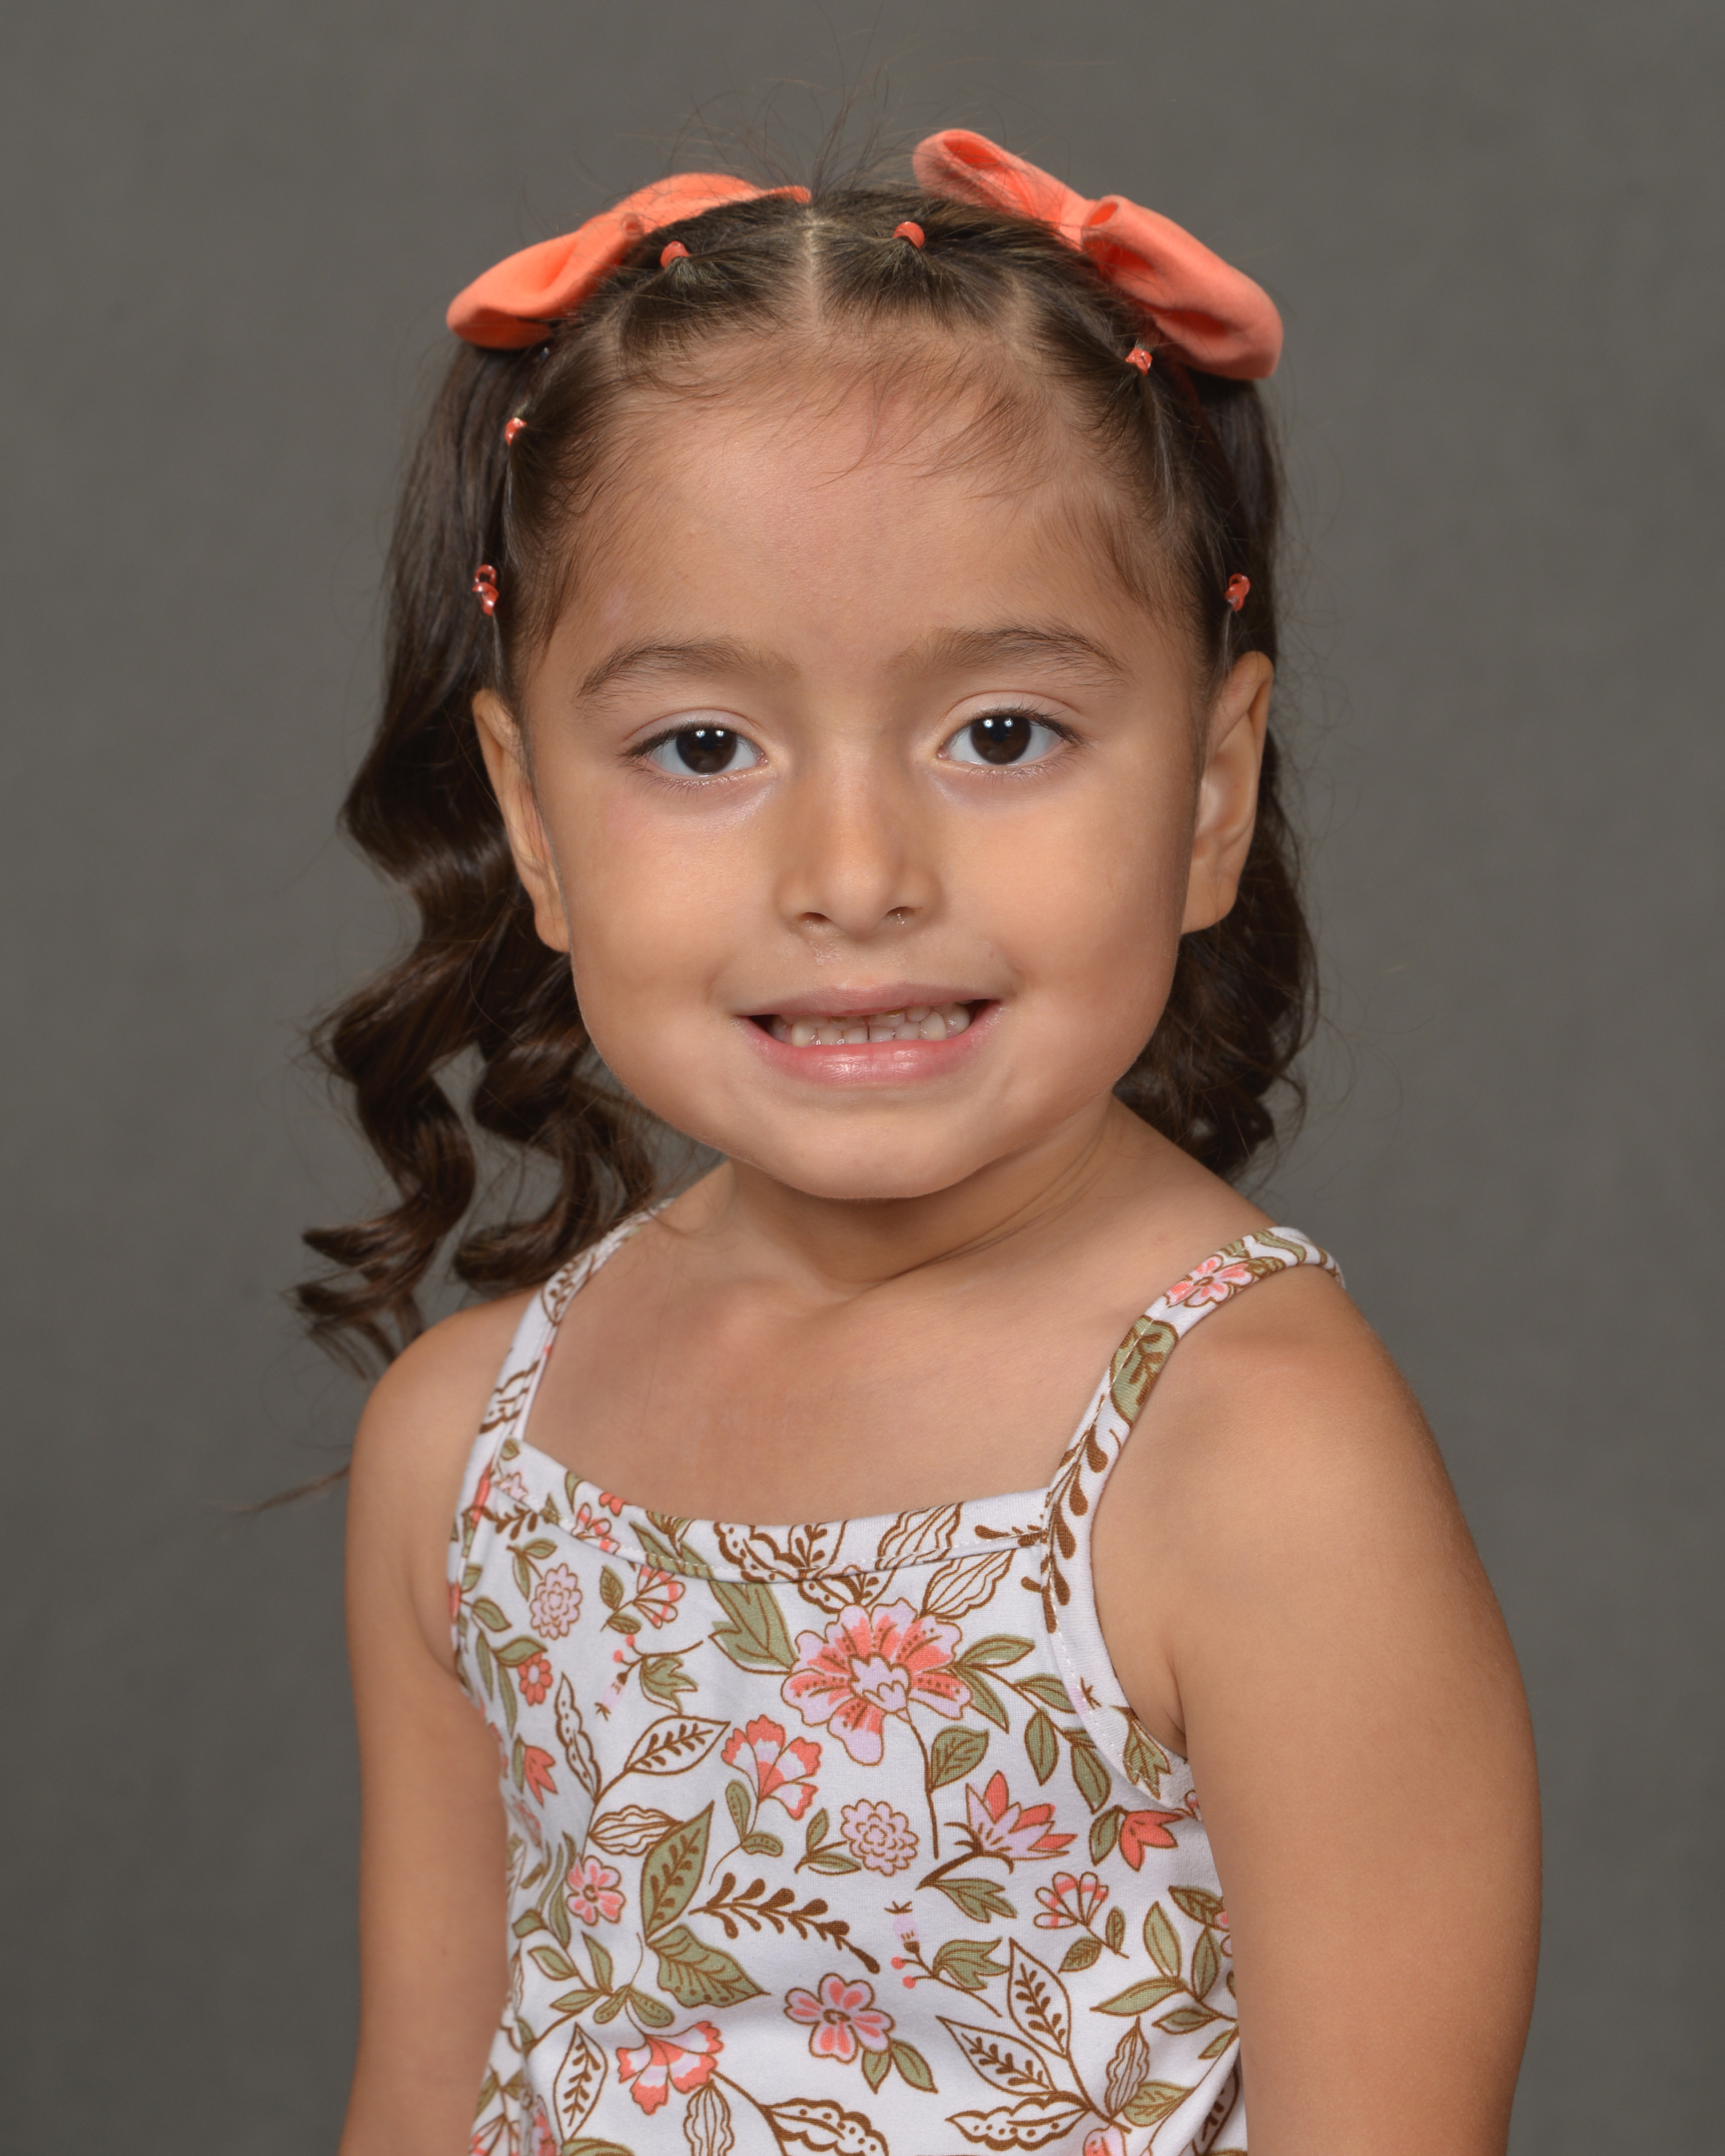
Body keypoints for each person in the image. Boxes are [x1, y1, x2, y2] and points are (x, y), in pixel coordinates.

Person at [313, 131, 1540, 2156]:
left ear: (1214, 790)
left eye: (1001, 734)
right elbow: (419, 2103)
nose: (858, 872)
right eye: (704, 747)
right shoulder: (465, 1454)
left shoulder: (1253, 1461)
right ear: (531, 817)